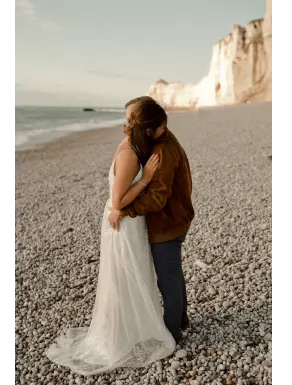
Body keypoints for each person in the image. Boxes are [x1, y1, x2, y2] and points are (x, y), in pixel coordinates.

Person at [44, 96, 176, 376]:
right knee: (127, 275)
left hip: (127, 223)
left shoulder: (135, 146)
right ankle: (121, 336)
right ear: (150, 129)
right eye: (162, 127)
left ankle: (131, 327)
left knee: (130, 274)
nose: (166, 131)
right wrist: (146, 178)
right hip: (123, 223)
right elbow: (118, 203)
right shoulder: (129, 154)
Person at [108, 96, 195, 345]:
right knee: (174, 275)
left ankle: (171, 335)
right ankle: (180, 320)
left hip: (168, 224)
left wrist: (124, 211)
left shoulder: (161, 149)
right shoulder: (158, 139)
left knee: (167, 280)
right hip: (175, 219)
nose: (165, 128)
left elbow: (157, 199)